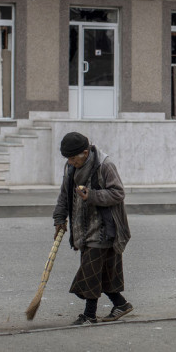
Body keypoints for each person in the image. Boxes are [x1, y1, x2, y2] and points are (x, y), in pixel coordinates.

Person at [53, 132, 133, 325]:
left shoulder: (105, 165)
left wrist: (92, 195)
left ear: (85, 152)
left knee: (90, 271)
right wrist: (59, 218)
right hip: (83, 228)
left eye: (74, 158)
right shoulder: (71, 168)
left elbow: (118, 193)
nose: (71, 162)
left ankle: (89, 315)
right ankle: (121, 304)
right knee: (101, 272)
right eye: (68, 159)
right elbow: (64, 195)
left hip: (105, 228)